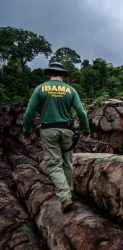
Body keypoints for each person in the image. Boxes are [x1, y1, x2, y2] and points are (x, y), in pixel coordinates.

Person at [22, 62, 90, 213]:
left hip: (49, 130)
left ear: (50, 73)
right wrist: (86, 130)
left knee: (54, 165)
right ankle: (69, 192)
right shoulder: (70, 89)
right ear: (63, 75)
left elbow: (29, 112)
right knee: (67, 162)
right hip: (67, 130)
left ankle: (65, 197)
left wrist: (26, 131)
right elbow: (81, 112)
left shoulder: (40, 89)